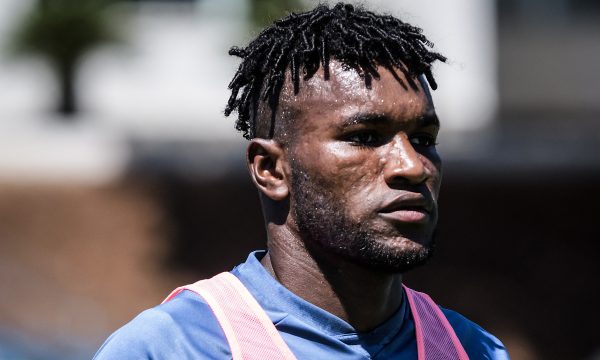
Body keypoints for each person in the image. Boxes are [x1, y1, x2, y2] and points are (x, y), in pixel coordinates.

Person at [94, 3, 509, 359]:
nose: (413, 166)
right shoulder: (171, 348)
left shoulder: (471, 349)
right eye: (364, 137)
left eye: (423, 139)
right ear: (271, 170)